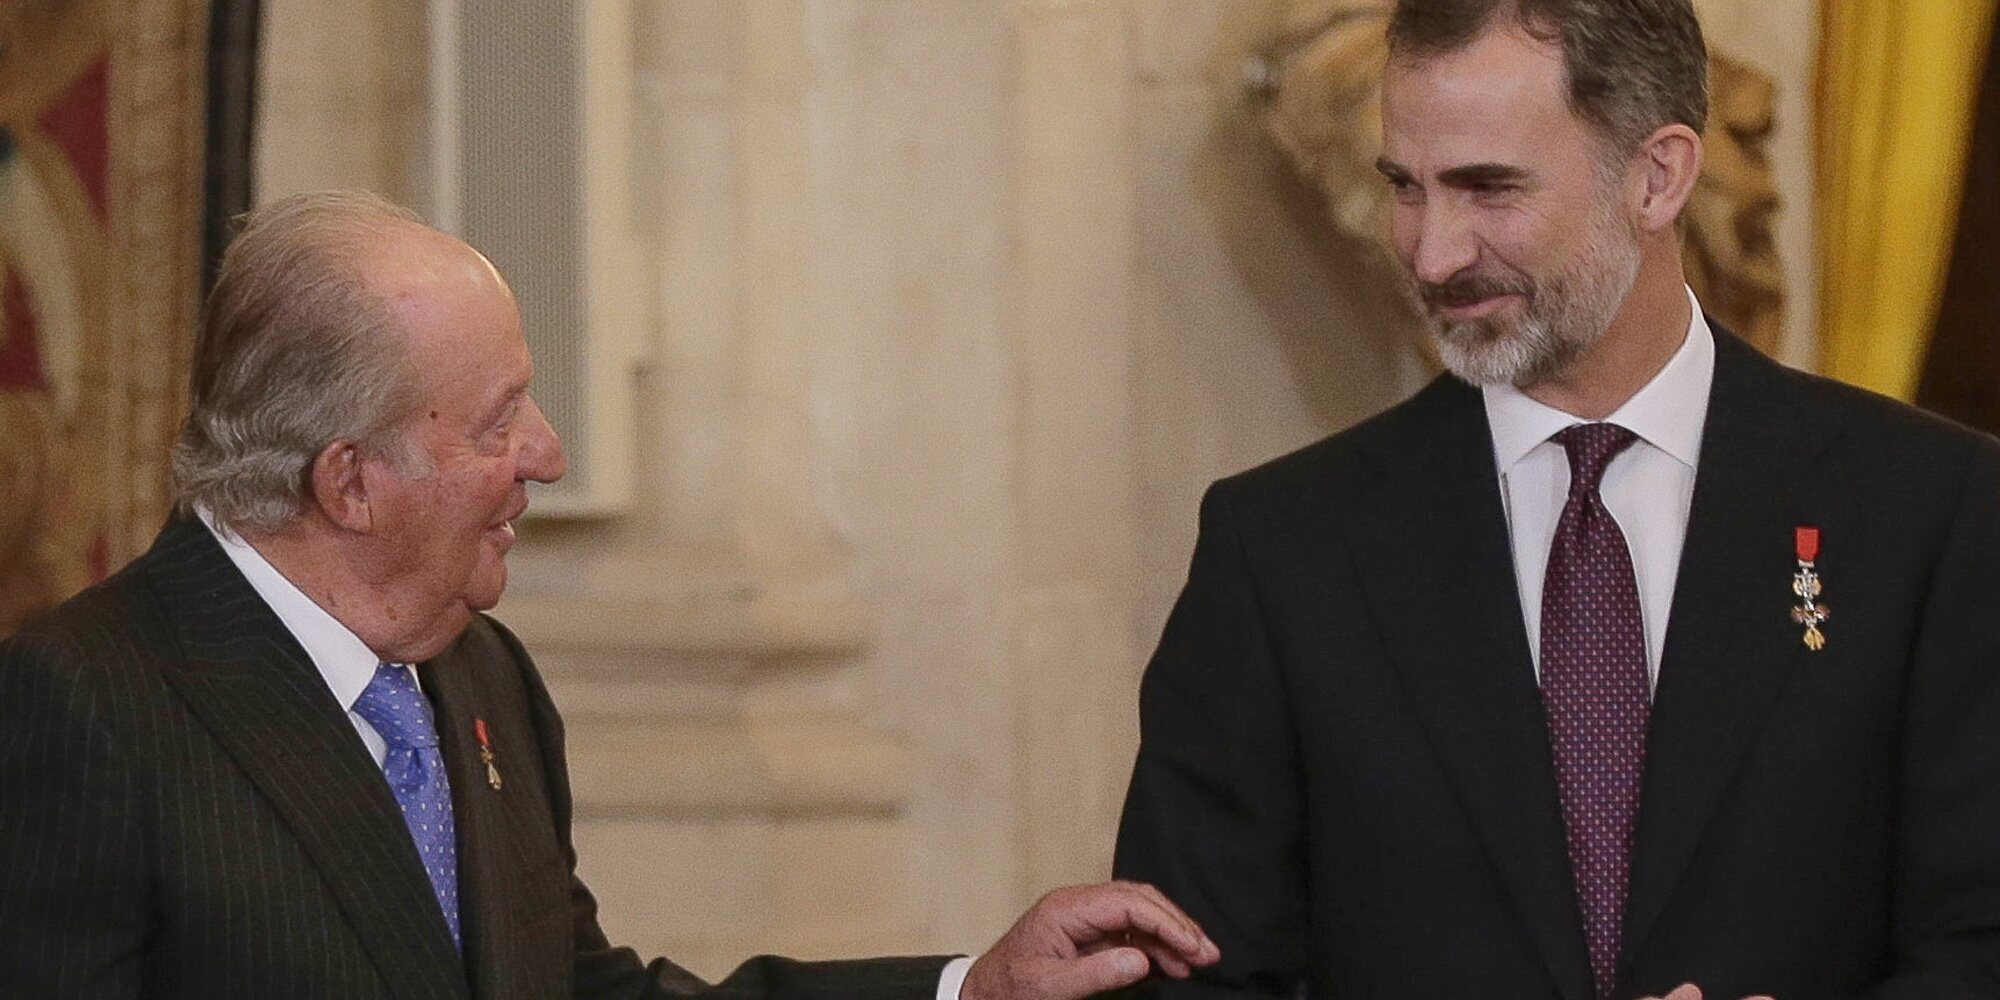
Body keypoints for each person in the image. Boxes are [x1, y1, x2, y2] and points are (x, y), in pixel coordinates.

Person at [0, 190, 1220, 999]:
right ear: (351, 481)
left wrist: (972, 987)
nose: (547, 453)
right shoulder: (86, 707)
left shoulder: (480, 676)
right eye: (495, 422)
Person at [1111, 1, 2000, 998]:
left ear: (1656, 176)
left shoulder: (1933, 511)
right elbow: (1188, 979)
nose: (1431, 252)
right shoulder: (1278, 551)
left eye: (1487, 188)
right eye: (1404, 187)